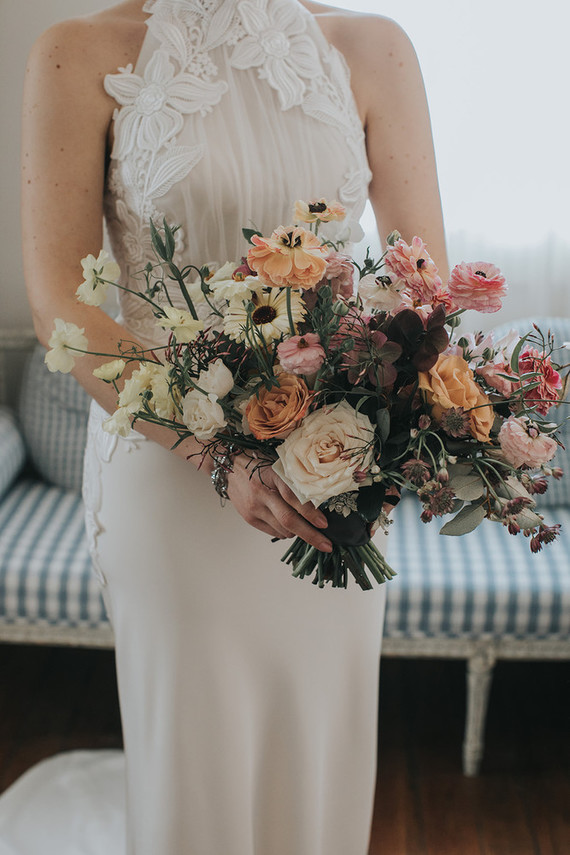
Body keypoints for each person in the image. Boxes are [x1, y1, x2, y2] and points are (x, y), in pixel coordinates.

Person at [18, 0, 448, 852]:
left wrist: (383, 433)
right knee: (197, 762)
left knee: (319, 748)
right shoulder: (78, 53)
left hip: (334, 468)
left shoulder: (372, 47)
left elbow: (420, 279)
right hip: (169, 468)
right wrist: (220, 452)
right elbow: (57, 303)